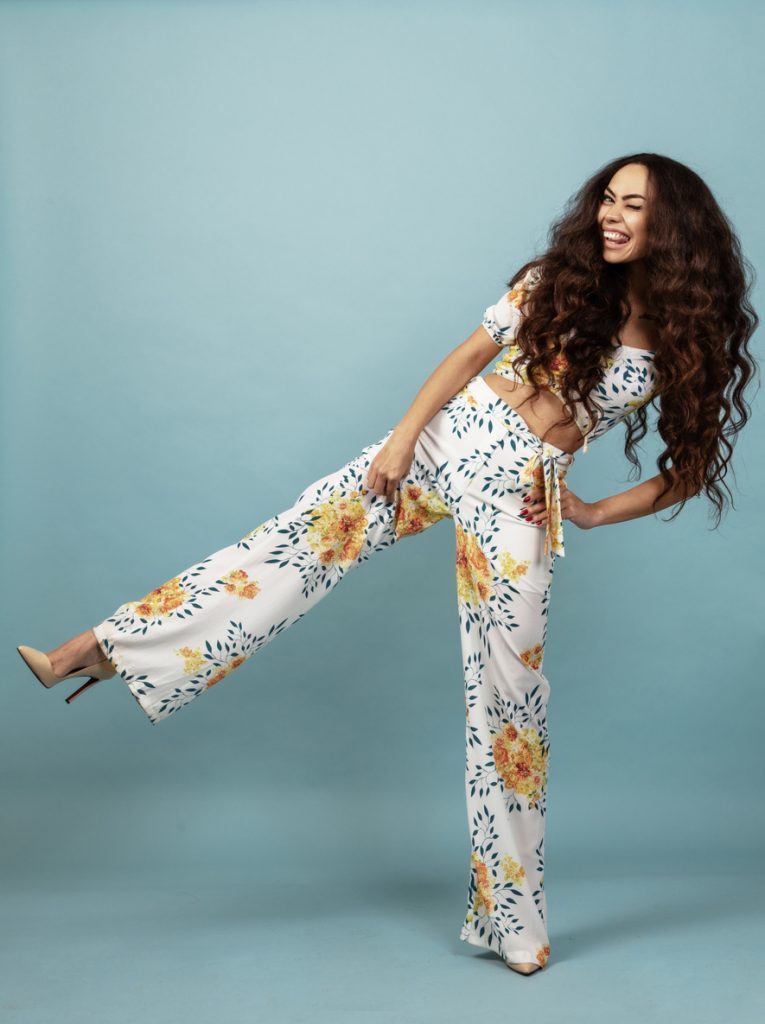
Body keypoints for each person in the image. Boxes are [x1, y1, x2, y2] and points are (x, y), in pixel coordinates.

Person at [17, 153, 759, 976]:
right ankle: (101, 648)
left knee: (511, 698)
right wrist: (406, 437)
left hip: (522, 491)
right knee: (292, 546)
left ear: (677, 228)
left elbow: (686, 469)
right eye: (607, 201)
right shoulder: (559, 277)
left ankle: (512, 917)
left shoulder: (687, 333)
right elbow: (464, 359)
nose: (611, 218)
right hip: (450, 435)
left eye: (635, 207)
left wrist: (585, 510)